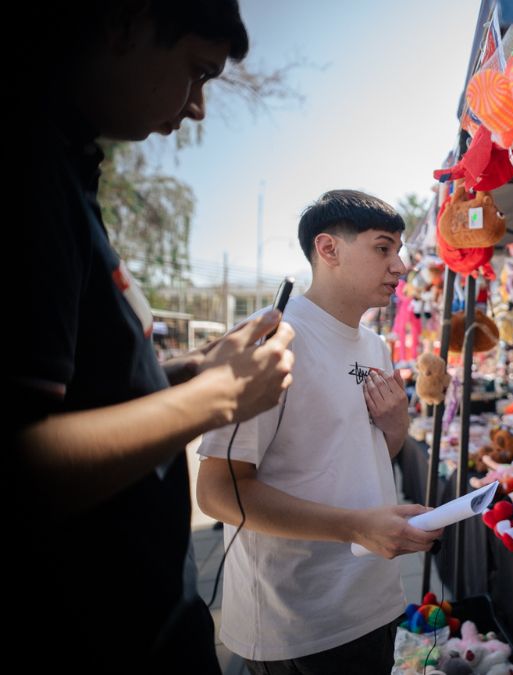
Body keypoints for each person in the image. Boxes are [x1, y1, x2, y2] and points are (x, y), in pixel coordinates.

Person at [9, 2, 295, 672]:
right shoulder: (30, 170)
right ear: (123, 23)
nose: (196, 107)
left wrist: (183, 374)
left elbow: (82, 394)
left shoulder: (68, 167)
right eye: (196, 72)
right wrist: (217, 397)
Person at [196, 190, 443, 674]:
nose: (400, 267)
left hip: (374, 596)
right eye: (382, 248)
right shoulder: (273, 339)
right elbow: (218, 493)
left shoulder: (376, 347)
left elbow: (355, 455)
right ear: (328, 249)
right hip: (298, 619)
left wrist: (394, 427)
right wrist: (353, 527)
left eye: (398, 250)